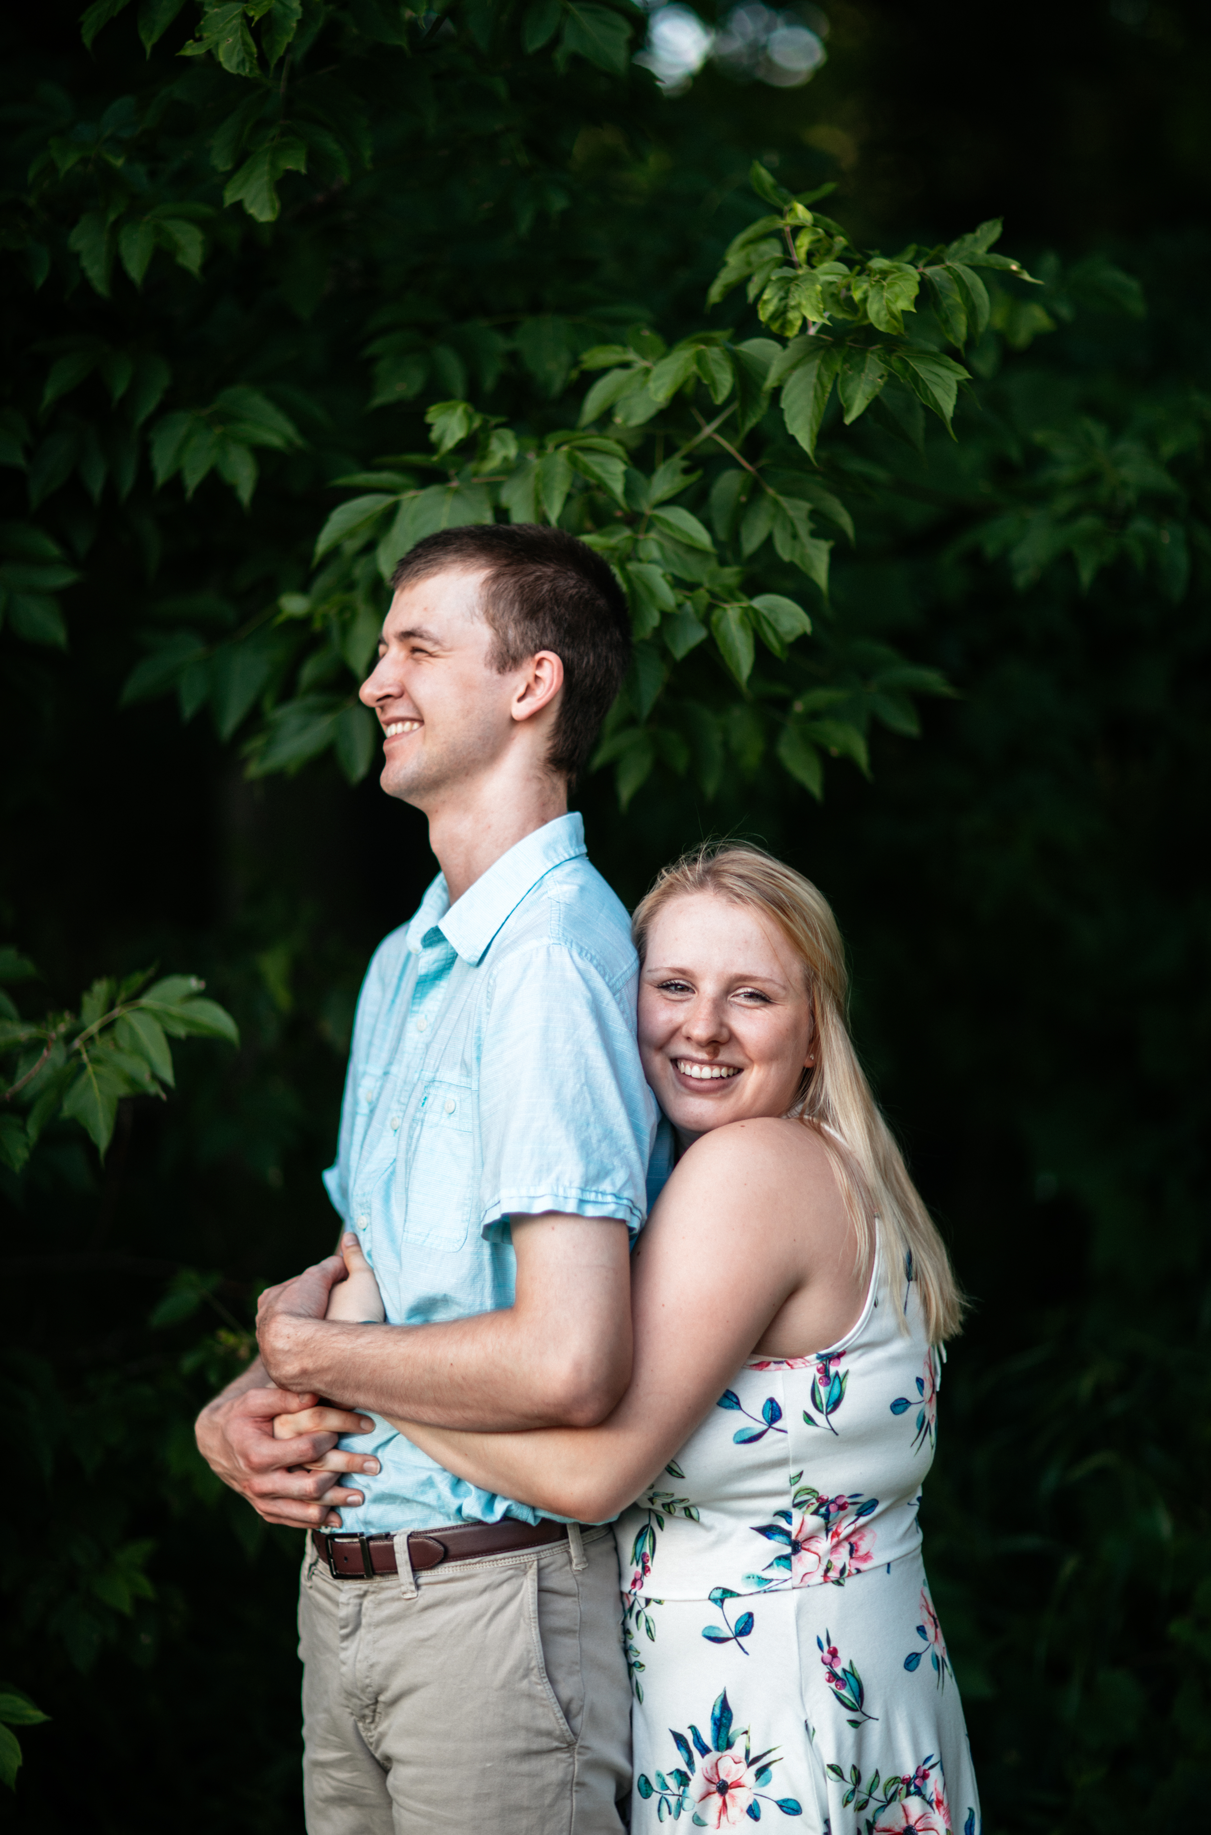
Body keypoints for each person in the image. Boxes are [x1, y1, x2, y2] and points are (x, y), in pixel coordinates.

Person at [284, 843, 982, 1834]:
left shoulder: (748, 1170)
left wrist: (354, 1358)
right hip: (851, 1699)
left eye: (751, 995)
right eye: (672, 985)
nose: (701, 1025)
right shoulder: (826, 1166)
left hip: (766, 1727)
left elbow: (591, 1475)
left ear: (813, 1030)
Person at [194, 523, 671, 1835]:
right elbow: (368, 1274)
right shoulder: (411, 954)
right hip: (345, 1594)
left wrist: (305, 1350)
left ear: (532, 685)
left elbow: (572, 1356)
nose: (370, 680)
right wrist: (248, 1393)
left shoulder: (548, 964)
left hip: (491, 1611)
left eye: (414, 644)